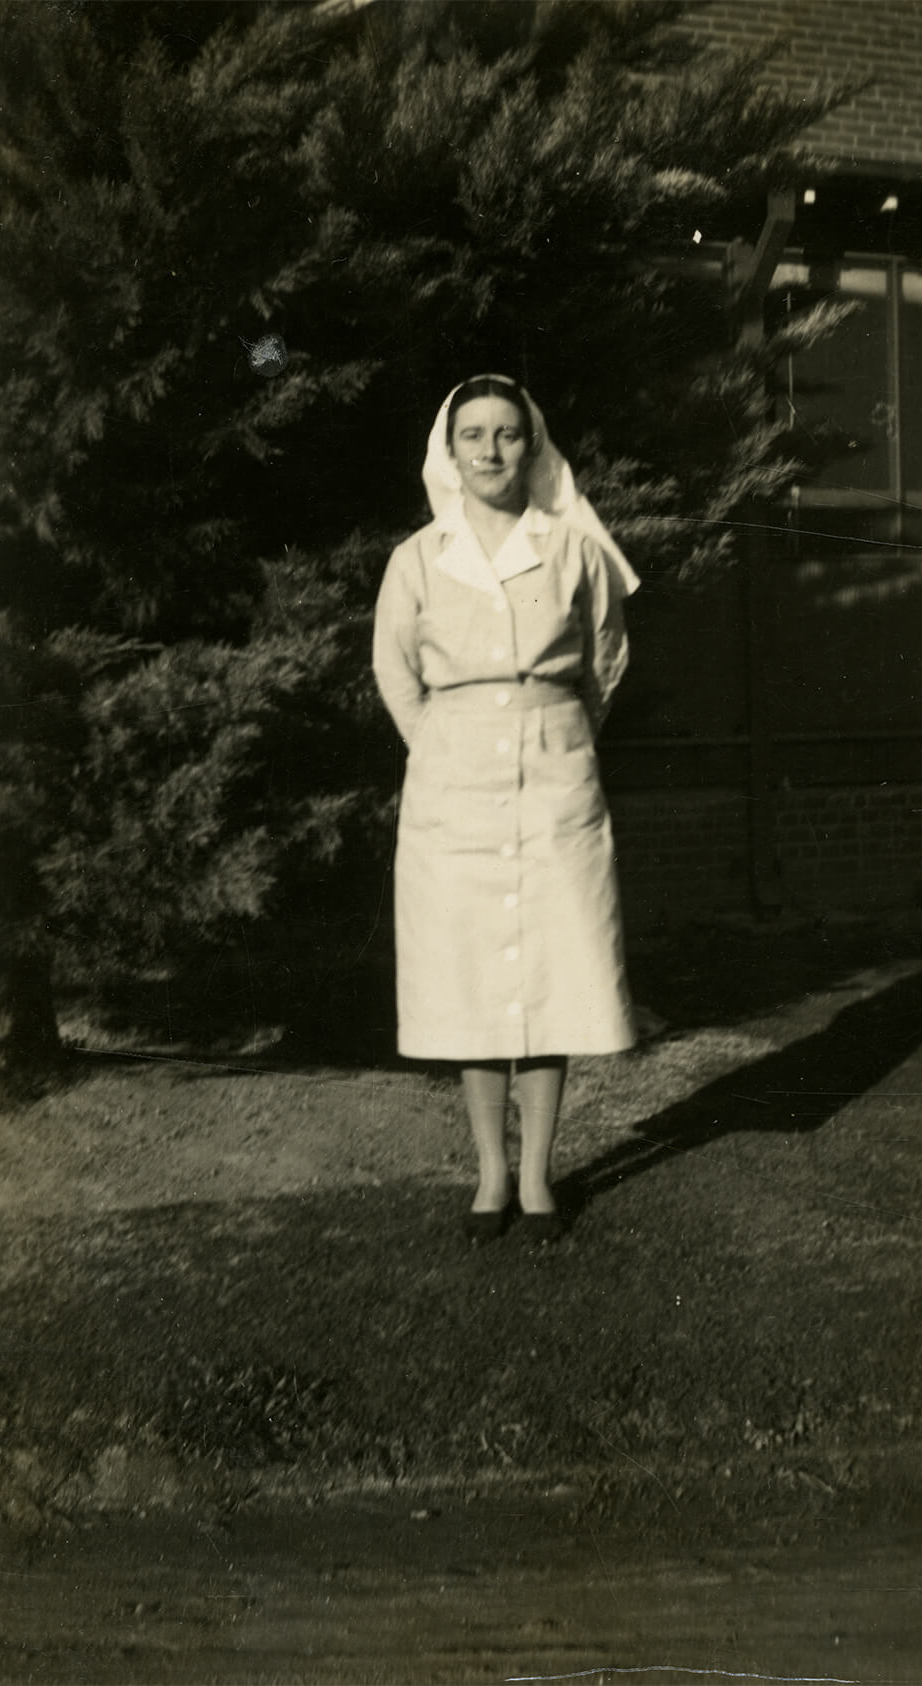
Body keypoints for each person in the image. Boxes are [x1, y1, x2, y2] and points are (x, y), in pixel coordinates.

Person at [373, 374, 638, 1243]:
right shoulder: (417, 558)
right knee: (475, 979)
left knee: (550, 973)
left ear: (535, 446)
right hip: (452, 784)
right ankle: (490, 1175)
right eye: (474, 435)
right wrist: (447, 746)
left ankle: (538, 1176)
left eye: (508, 435)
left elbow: (604, 658)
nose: (491, 451)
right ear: (448, 452)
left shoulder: (570, 548)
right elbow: (395, 674)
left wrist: (554, 731)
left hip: (554, 769)